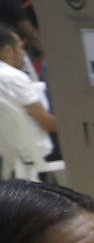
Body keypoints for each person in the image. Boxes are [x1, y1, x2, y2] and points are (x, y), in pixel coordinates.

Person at [0, 23, 56, 165]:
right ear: (7, 51)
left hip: (7, 155)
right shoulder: (14, 78)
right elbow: (47, 123)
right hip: (34, 153)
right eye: (20, 48)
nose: (24, 53)